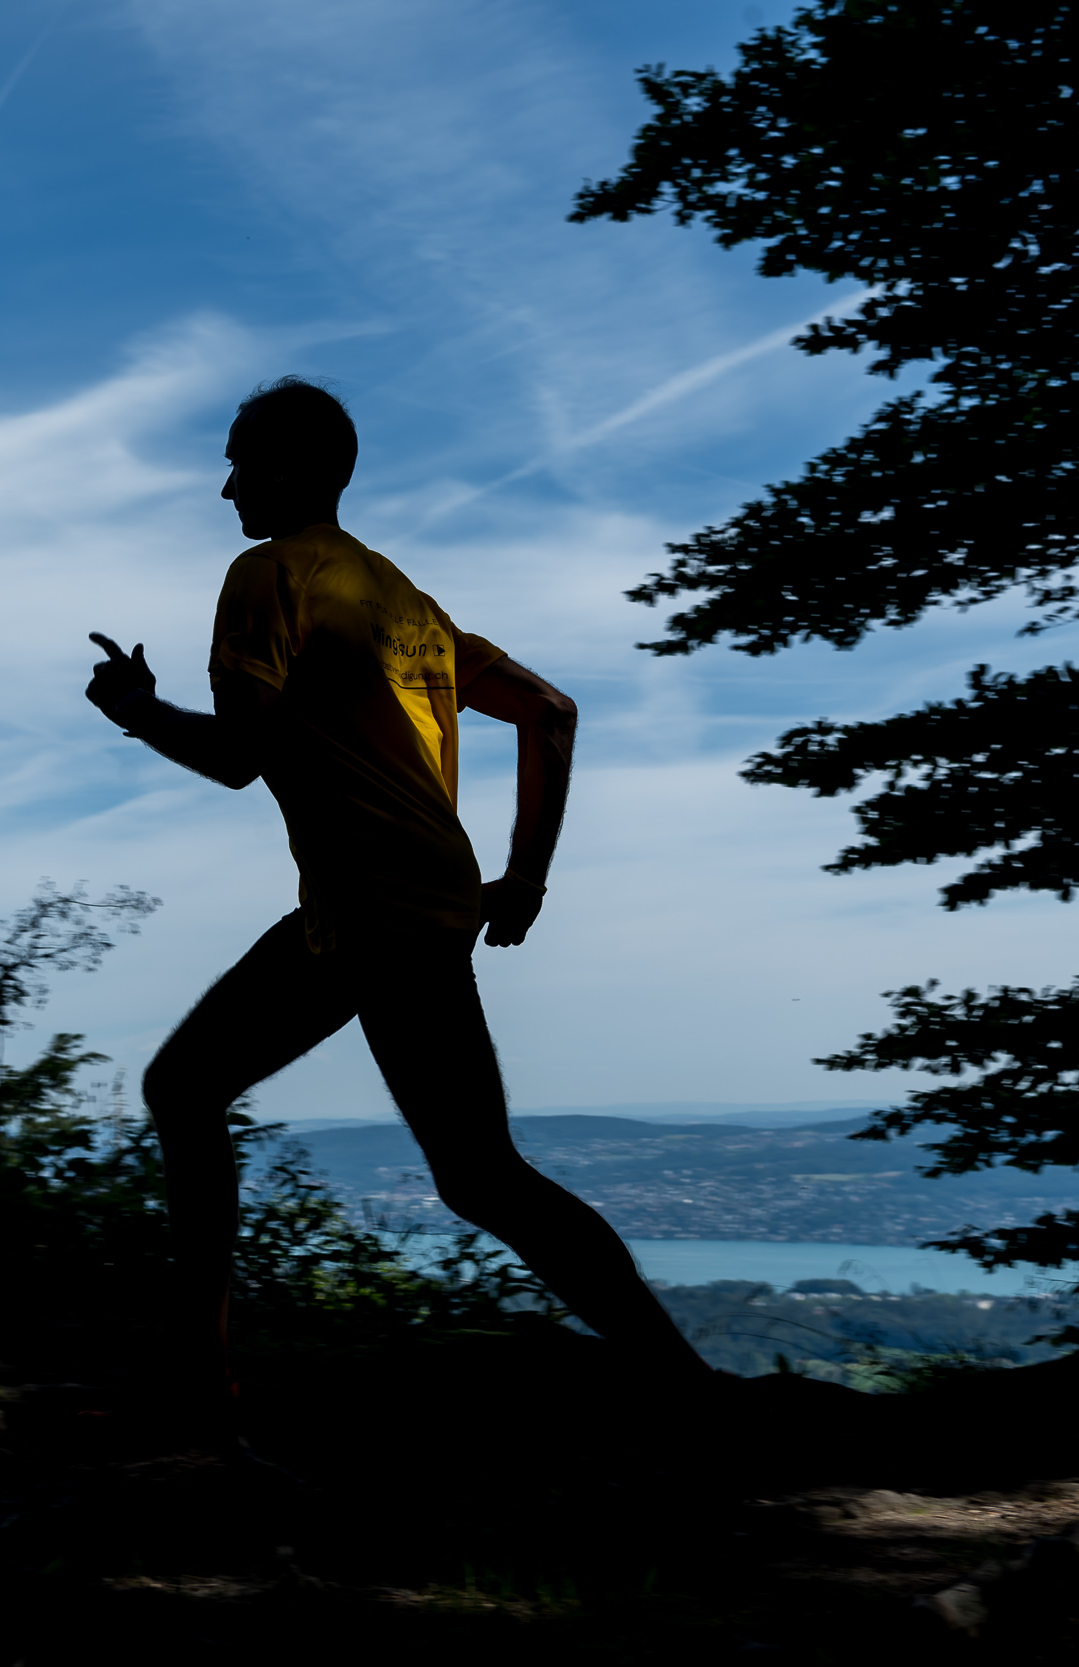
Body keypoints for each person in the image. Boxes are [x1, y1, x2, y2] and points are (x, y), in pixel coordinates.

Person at [86, 376, 711, 1435]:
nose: (226, 482)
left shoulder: (267, 575)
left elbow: (242, 756)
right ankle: (685, 1386)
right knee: (480, 1174)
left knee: (185, 1088)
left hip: (373, 904)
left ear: (294, 469)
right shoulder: (400, 599)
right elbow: (550, 713)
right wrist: (523, 878)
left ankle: (201, 1388)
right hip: (423, 898)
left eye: (241, 459)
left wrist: (139, 711)